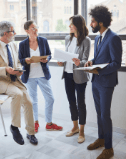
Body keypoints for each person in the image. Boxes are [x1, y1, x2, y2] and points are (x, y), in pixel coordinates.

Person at [0, 21, 38, 145]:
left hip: (14, 79)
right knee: (17, 94)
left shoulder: (13, 45)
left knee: (29, 103)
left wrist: (18, 70)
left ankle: (31, 133)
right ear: (5, 33)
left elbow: (17, 62)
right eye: (13, 31)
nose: (15, 33)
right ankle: (14, 127)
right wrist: (5, 70)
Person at [85, 6, 122, 159]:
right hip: (96, 82)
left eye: (92, 21)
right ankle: (101, 139)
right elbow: (101, 58)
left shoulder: (113, 38)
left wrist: (99, 70)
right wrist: (91, 62)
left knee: (105, 115)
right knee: (99, 114)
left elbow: (116, 63)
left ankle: (109, 148)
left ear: (100, 22)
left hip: (106, 83)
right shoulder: (98, 37)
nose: (90, 24)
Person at [19, 20, 63, 133]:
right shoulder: (22, 44)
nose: (36, 30)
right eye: (33, 28)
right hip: (30, 76)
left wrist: (46, 59)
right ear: (27, 30)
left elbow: (49, 55)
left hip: (43, 75)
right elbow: (20, 60)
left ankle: (49, 123)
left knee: (50, 99)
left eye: (36, 27)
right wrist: (26, 60)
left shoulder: (43, 41)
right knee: (33, 101)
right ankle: (35, 122)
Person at [57, 15, 91, 143]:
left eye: (71, 24)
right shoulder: (68, 38)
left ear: (77, 25)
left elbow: (85, 59)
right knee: (71, 102)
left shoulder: (86, 40)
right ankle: (75, 127)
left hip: (79, 75)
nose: (69, 26)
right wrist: (62, 62)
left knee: (80, 103)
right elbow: (67, 56)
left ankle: (82, 131)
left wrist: (79, 63)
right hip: (67, 74)